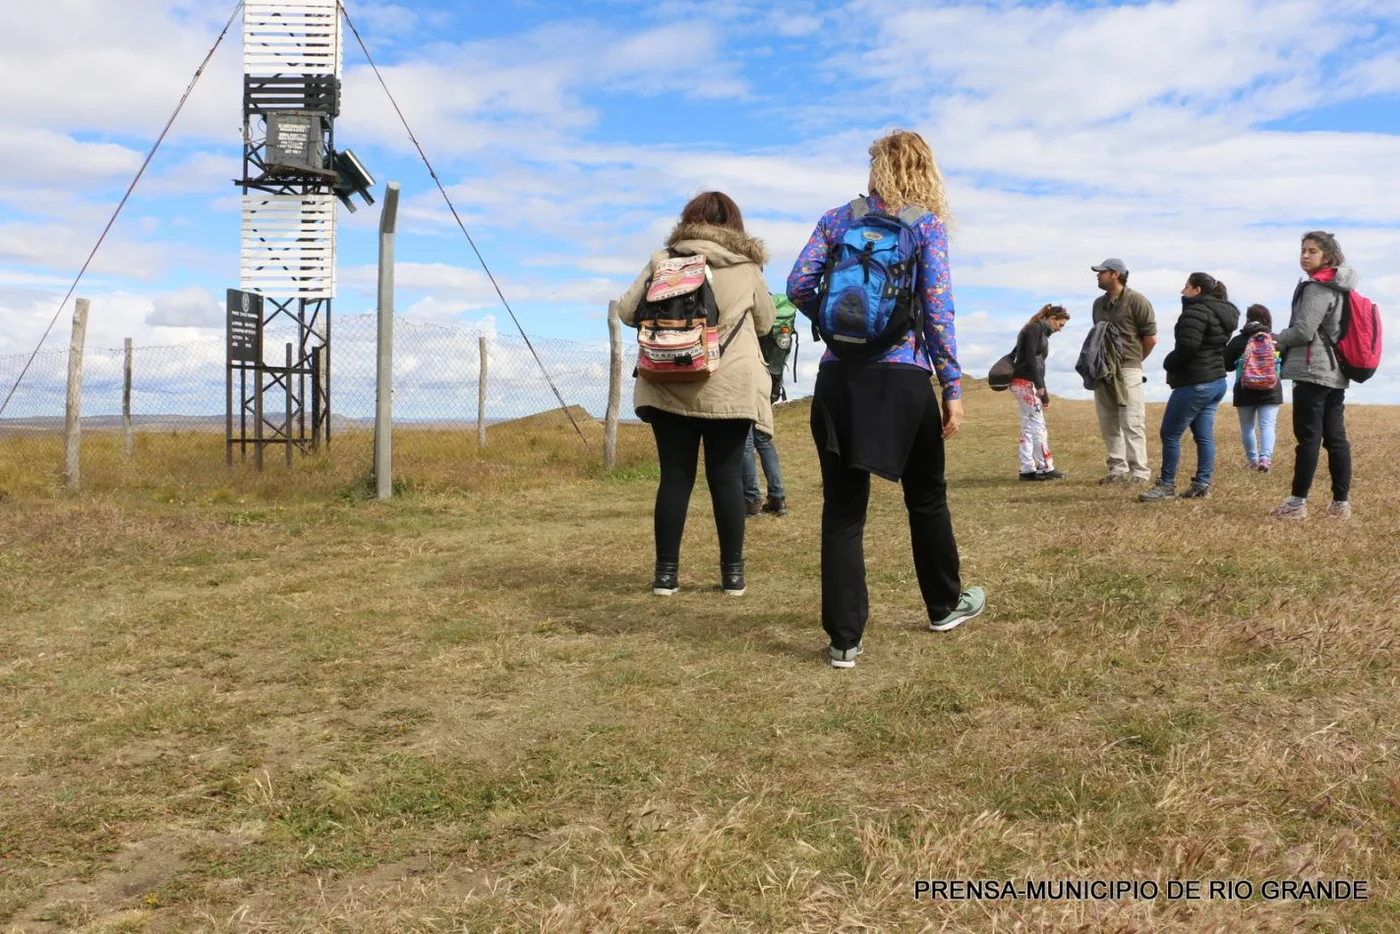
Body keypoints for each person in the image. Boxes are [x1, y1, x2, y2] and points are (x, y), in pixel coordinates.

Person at [787, 129, 984, 670]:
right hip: (903, 379)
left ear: (876, 167)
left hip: (838, 381)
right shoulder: (926, 228)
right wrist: (953, 389)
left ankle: (844, 640)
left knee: (843, 512)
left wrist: (841, 327)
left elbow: (799, 284)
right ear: (924, 171)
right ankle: (944, 606)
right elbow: (938, 312)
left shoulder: (836, 219)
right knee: (926, 497)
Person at [615, 191, 776, 595]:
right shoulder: (747, 267)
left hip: (667, 379)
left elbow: (627, 311)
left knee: (675, 476)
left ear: (688, 219)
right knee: (726, 479)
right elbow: (765, 323)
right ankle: (732, 576)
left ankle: (666, 576)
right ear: (735, 224)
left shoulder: (663, 259)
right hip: (729, 383)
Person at [1268, 231, 1356, 521]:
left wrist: (1275, 339)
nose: (1305, 255)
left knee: (1308, 437)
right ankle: (1340, 504)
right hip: (1336, 371)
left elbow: (1304, 331)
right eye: (1303, 250)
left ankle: (1296, 504)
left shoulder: (1318, 288)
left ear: (1327, 257)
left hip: (1313, 370)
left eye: (1313, 251)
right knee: (1335, 438)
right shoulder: (1340, 287)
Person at [1138, 273, 1238, 502]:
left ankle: (1166, 485)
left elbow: (1188, 347)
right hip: (1216, 381)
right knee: (1204, 437)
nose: (1182, 291)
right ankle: (1202, 484)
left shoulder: (1195, 312)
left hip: (1195, 381)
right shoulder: (1224, 313)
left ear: (1197, 290)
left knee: (1170, 434)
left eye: (1186, 286)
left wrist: (1169, 362)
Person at [1089, 258, 1157, 485]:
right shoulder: (1098, 304)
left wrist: (1135, 361)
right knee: (1108, 422)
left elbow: (1151, 339)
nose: (1098, 275)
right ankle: (1117, 469)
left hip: (1128, 369)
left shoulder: (1137, 301)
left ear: (1115, 274)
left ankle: (1139, 472)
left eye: (1102, 272)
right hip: (1103, 371)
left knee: (1132, 421)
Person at [742, 293, 795, 517]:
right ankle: (777, 497)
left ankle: (752, 500)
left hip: (746, 377)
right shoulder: (772, 309)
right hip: (770, 380)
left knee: (746, 440)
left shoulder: (746, 306)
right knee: (763, 438)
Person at [1010, 304, 1071, 481]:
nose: (1060, 330)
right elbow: (1030, 359)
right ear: (1052, 319)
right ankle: (1045, 467)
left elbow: (1031, 360)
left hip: (1024, 382)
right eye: (1060, 325)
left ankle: (1027, 469)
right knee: (1038, 426)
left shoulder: (1034, 330)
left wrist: (1042, 390)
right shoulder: (1034, 330)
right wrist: (1040, 388)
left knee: (1028, 426)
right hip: (1026, 383)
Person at [1223, 304, 1283, 472]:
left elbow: (1226, 365)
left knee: (1248, 427)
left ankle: (1252, 460)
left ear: (1248, 319)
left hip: (1244, 389)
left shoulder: (1237, 341)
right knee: (1267, 425)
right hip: (1271, 389)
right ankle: (1265, 459)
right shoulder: (1276, 340)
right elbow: (1284, 363)